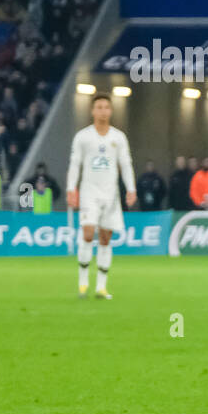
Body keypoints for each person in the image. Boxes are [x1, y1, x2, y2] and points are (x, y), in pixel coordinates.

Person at [66, 93, 137, 299]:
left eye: (106, 107)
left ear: (111, 111)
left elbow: (125, 164)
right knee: (88, 233)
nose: (103, 111)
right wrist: (72, 188)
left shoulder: (118, 137)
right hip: (89, 191)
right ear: (92, 110)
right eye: (99, 107)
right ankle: (82, 282)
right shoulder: (83, 137)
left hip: (111, 194)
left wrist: (130, 189)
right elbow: (75, 164)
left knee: (106, 238)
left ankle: (101, 287)